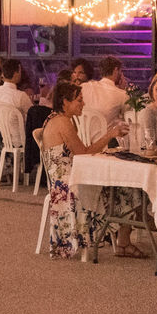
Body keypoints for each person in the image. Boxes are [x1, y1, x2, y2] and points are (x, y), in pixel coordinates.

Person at [40, 82, 137, 259]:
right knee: (121, 188)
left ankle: (122, 238)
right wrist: (110, 134)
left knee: (117, 185)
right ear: (65, 102)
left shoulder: (57, 119)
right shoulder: (62, 122)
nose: (83, 104)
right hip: (68, 183)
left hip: (68, 176)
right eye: (79, 100)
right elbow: (83, 153)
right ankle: (124, 239)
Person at [81, 56, 128, 124]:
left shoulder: (84, 86)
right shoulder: (122, 95)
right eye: (120, 71)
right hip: (108, 133)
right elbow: (127, 116)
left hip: (82, 133)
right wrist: (123, 90)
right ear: (116, 70)